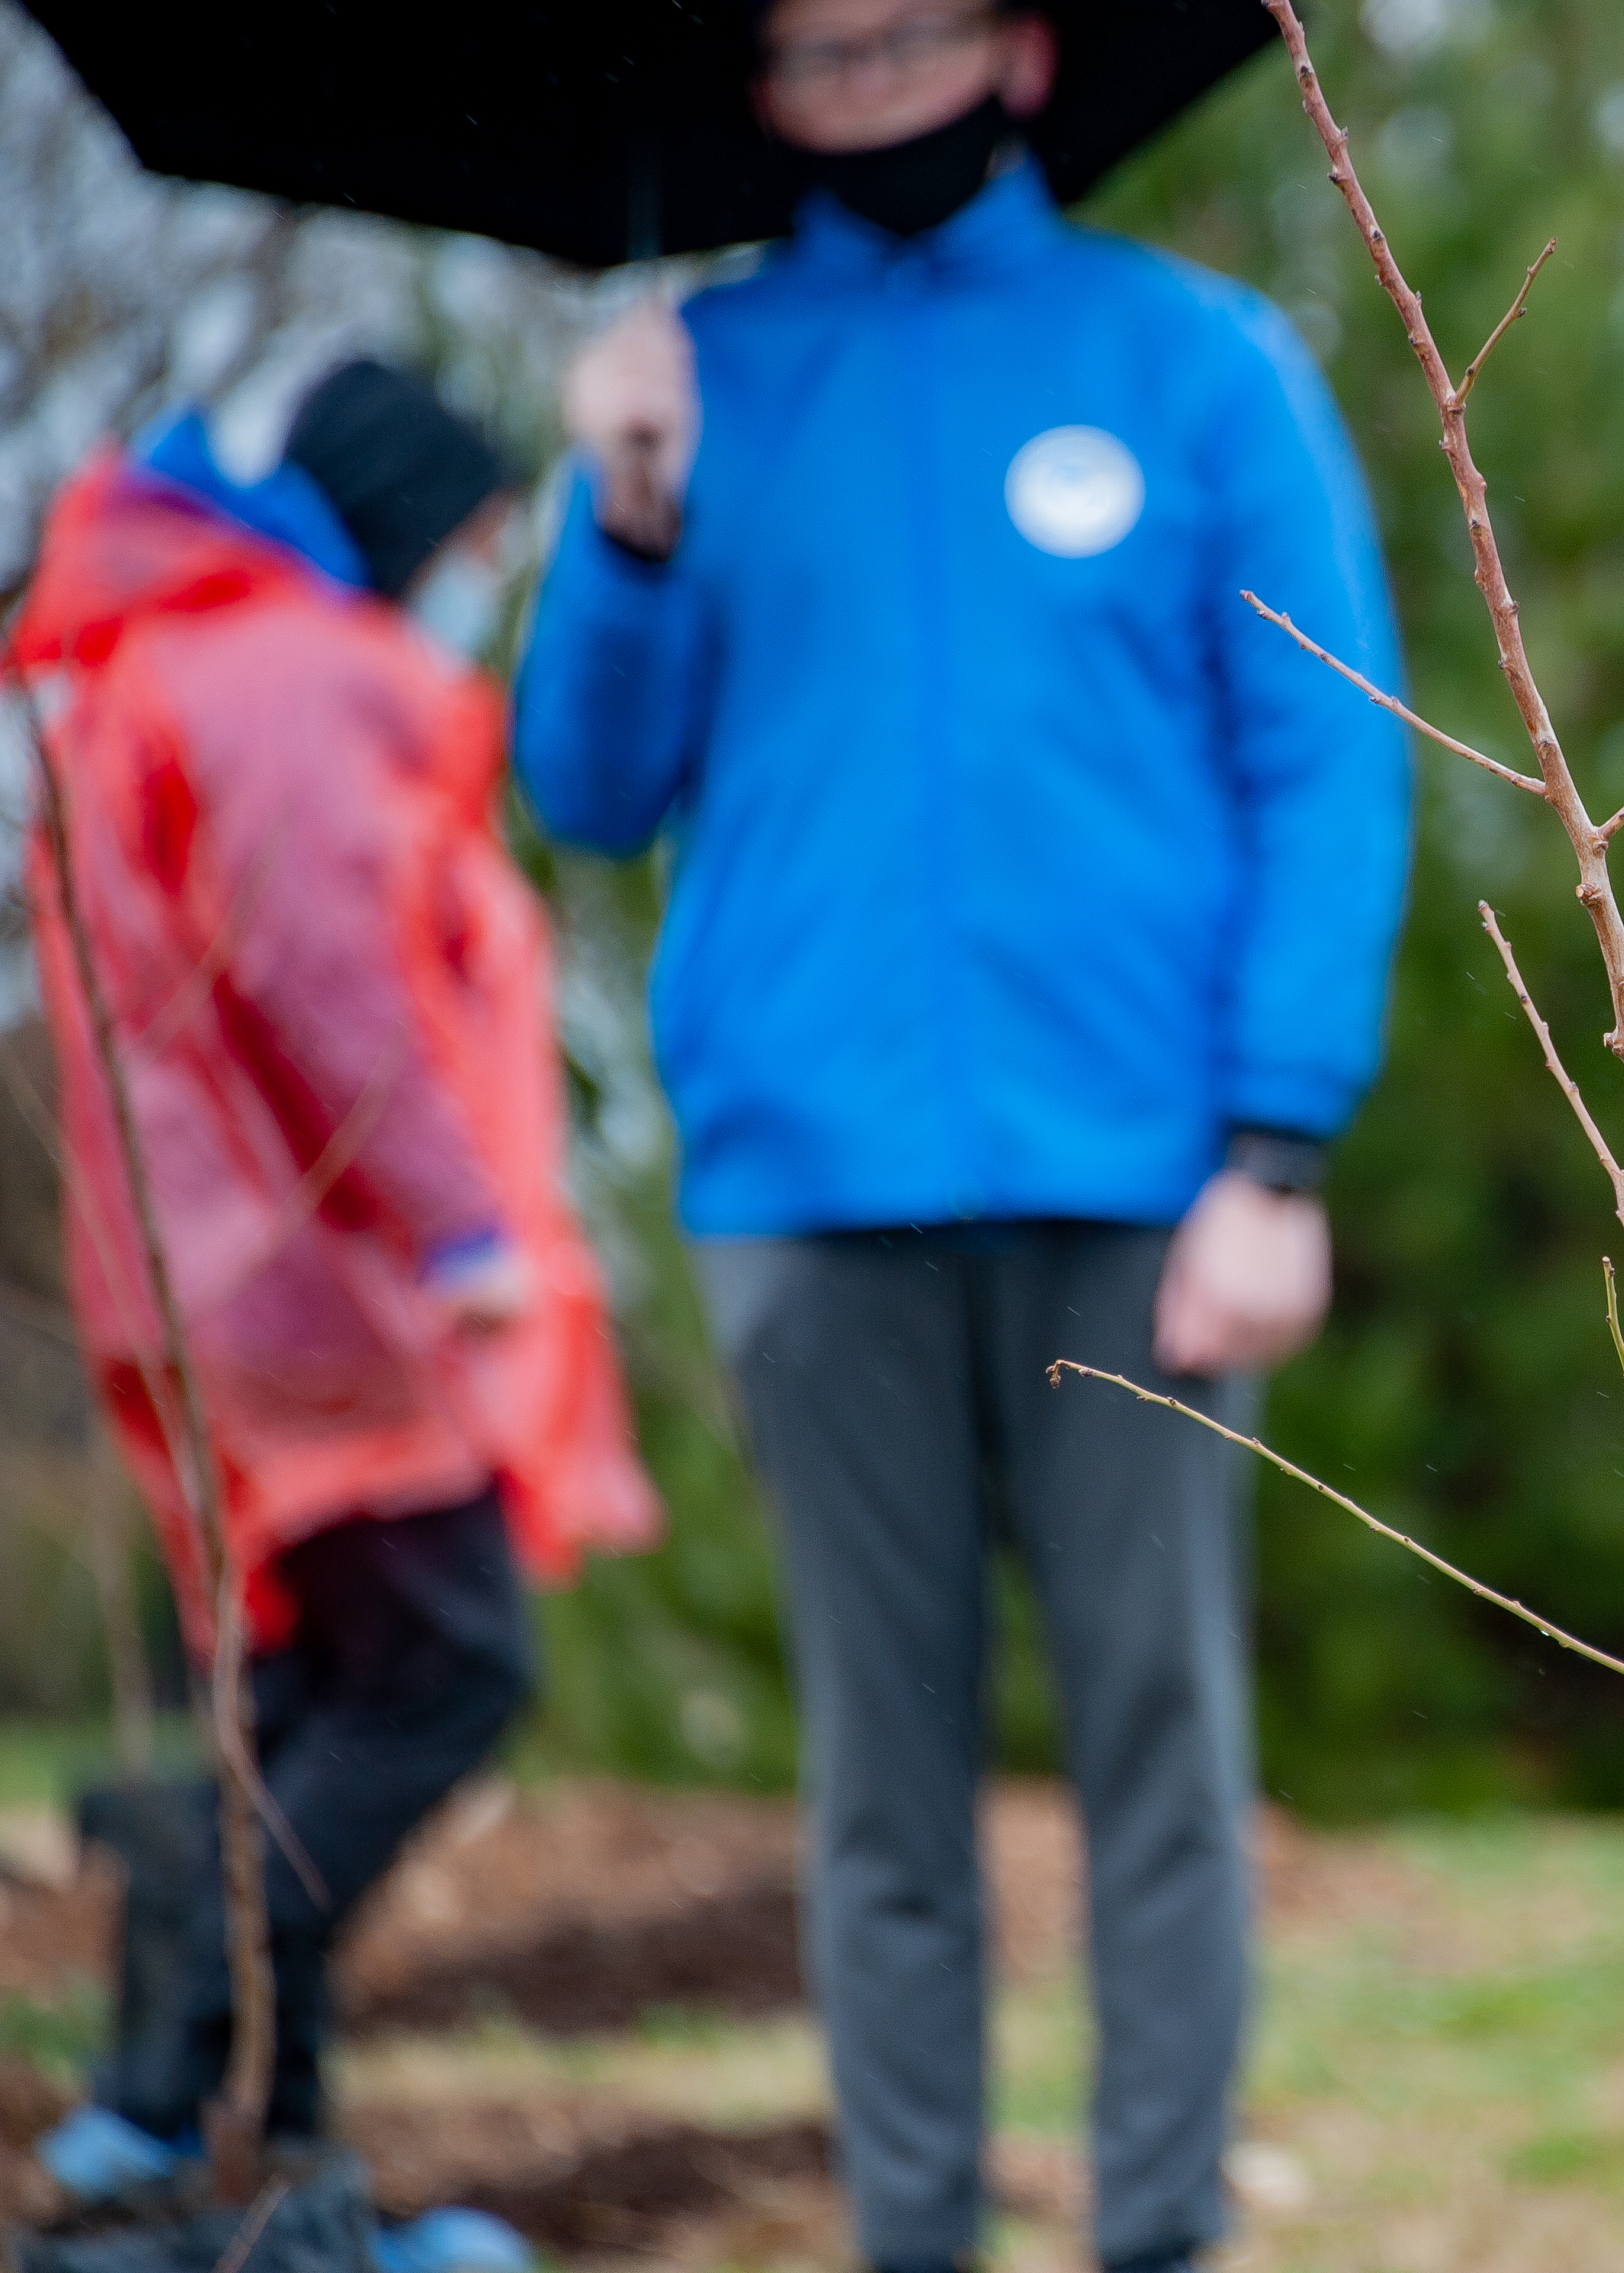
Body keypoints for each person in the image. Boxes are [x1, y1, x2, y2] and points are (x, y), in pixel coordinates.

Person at [511, 0, 1410, 2264]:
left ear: (1014, 49)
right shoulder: (688, 389)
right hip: (812, 1201)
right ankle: (915, 2237)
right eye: (819, 52)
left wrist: (1277, 1150)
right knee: (878, 1790)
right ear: (759, 89)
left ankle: (1161, 2232)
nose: (867, 86)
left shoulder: (1196, 365)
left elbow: (1330, 763)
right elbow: (588, 790)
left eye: (907, 33)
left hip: (1147, 1193)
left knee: (1160, 1765)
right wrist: (623, 522)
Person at [7, 360, 661, 2242]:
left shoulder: (168, 661)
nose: (478, 572)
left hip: (212, 1279)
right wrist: (465, 1229)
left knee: (300, 1691)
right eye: (471, 537)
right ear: (395, 515)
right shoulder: (291, 671)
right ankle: (163, 2081)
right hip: (318, 1280)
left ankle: (251, 2155)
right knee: (446, 1667)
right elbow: (326, 968)